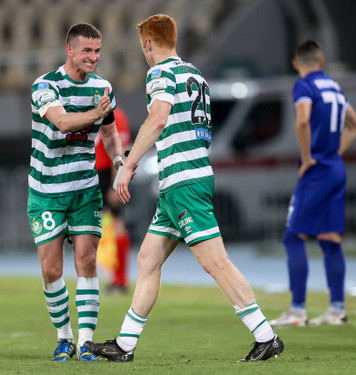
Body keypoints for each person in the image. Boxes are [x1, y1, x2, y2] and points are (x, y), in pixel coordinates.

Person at [85, 14, 284, 362]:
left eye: (142, 46)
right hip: (184, 178)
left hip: (183, 182)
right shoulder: (195, 75)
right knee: (147, 259)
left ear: (148, 44)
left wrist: (128, 166)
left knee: (216, 263)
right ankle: (125, 345)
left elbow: (159, 119)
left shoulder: (159, 73)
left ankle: (266, 336)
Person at [27, 22, 124, 361]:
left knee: (86, 261)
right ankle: (64, 337)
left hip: (84, 189)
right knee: (51, 270)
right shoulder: (45, 86)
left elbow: (110, 134)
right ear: (69, 50)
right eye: (87, 50)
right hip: (47, 191)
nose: (93, 57)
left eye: (97, 51)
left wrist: (119, 161)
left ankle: (85, 343)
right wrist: (96, 113)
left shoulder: (103, 88)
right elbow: (63, 122)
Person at [269, 39, 356, 327]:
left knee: (293, 236)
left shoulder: (304, 85)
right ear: (321, 62)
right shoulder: (335, 86)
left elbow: (302, 121)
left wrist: (309, 157)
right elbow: (355, 126)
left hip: (317, 171)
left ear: (297, 64)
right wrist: (334, 153)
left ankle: (298, 311)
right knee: (330, 239)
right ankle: (337, 309)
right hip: (336, 168)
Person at [94, 107, 133, 294]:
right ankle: (114, 278)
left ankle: (120, 280)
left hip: (108, 175)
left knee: (116, 224)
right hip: (97, 174)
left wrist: (115, 184)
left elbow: (123, 151)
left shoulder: (116, 116)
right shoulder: (93, 113)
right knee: (106, 227)